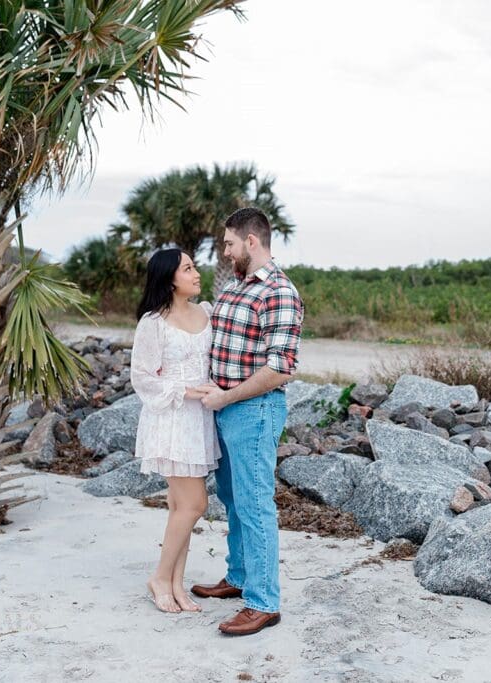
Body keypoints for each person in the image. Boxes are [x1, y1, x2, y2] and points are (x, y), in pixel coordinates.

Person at [190, 207, 305, 636]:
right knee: (234, 500)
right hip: (223, 407)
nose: (224, 250)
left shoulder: (279, 292)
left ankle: (264, 602)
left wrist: (227, 397)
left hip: (253, 411)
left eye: (229, 243)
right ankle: (238, 578)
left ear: (251, 242)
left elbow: (281, 368)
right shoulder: (236, 286)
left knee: (256, 505)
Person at [130, 248, 220, 614]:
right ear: (169, 278)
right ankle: (159, 577)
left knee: (181, 506)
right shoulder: (153, 322)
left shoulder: (207, 312)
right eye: (188, 268)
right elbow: (142, 378)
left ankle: (176, 585)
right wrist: (185, 390)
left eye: (195, 266)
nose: (196, 273)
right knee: (196, 504)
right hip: (171, 418)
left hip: (200, 419)